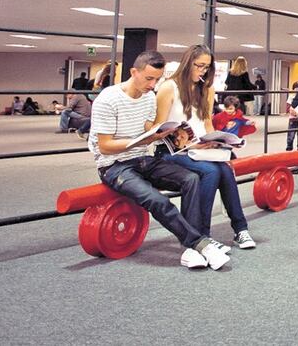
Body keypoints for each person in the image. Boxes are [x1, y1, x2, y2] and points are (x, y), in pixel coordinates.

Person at [89, 50, 228, 270]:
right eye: (148, 78)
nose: (153, 85)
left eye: (157, 80)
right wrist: (139, 141)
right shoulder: (108, 99)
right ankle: (199, 244)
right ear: (133, 72)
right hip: (114, 166)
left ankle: (191, 248)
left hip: (143, 159)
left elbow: (147, 128)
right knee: (157, 200)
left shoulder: (147, 97)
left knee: (191, 179)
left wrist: (163, 133)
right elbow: (105, 146)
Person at [155, 45, 255, 250]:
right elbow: (158, 129)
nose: (202, 71)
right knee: (210, 171)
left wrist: (216, 140)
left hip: (199, 149)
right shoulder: (169, 87)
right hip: (172, 152)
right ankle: (202, 236)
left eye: (206, 67)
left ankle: (240, 229)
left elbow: (207, 123)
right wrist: (188, 140)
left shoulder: (206, 88)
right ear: (187, 63)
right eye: (199, 66)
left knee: (225, 169)